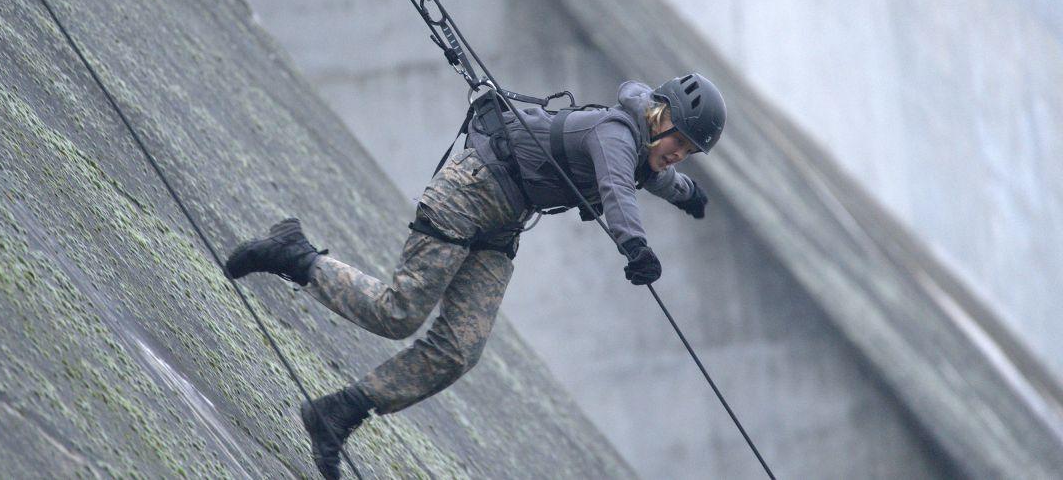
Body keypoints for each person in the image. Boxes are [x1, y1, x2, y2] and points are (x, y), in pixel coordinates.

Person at [226, 73, 726, 479]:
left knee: (460, 348)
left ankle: (336, 413)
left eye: (689, 151)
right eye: (679, 141)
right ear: (659, 117)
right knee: (398, 313)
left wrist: (688, 195)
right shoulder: (615, 134)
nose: (680, 153)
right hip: (469, 194)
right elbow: (617, 188)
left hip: (502, 224)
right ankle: (293, 254)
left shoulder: (643, 146)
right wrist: (634, 245)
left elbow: (654, 176)